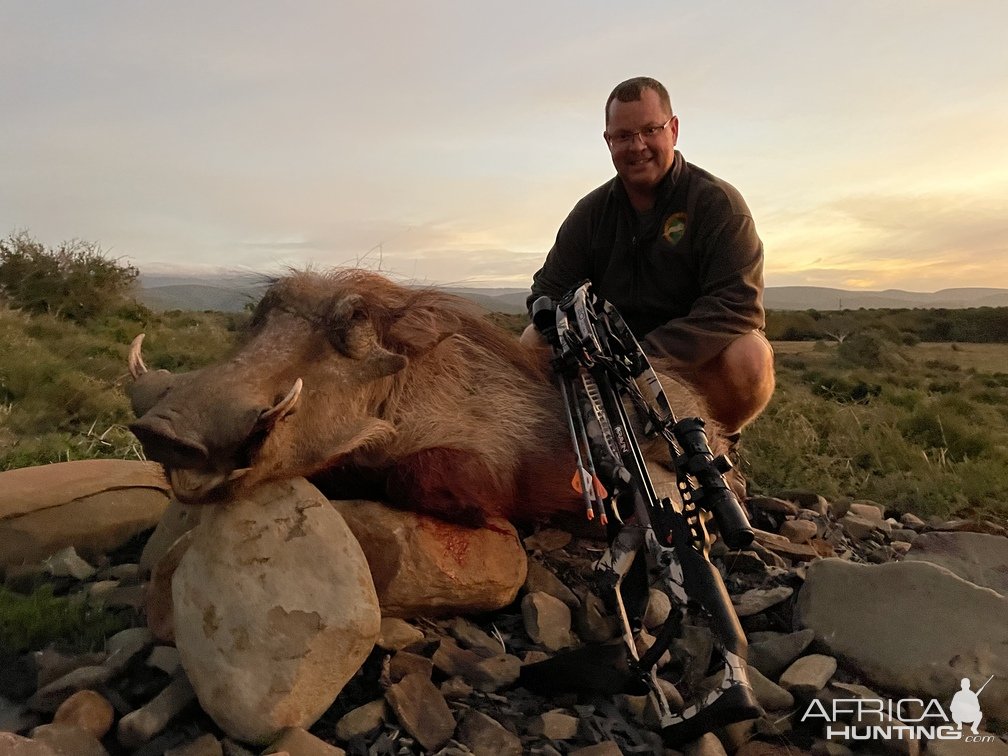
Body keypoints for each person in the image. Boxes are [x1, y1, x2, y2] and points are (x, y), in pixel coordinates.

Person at [523, 76, 774, 437]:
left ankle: (719, 445)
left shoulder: (718, 204)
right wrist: (585, 349)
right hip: (607, 368)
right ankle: (563, 443)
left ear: (673, 129)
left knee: (750, 355)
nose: (637, 145)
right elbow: (545, 292)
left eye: (650, 130)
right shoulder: (590, 213)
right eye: (623, 136)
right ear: (609, 141)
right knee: (533, 340)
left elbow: (737, 307)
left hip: (690, 364)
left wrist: (641, 357)